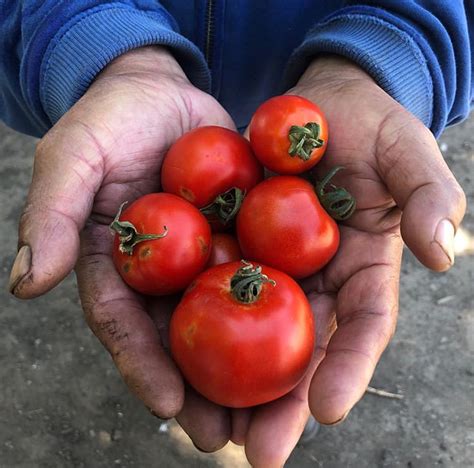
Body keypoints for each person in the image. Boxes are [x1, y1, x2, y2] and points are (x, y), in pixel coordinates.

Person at [1, 1, 471, 466]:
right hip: (156, 97)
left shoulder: (289, 204)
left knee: (296, 375)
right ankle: (278, 381)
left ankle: (282, 383)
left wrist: (389, 53)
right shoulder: (247, 220)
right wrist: (104, 48)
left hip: (302, 83)